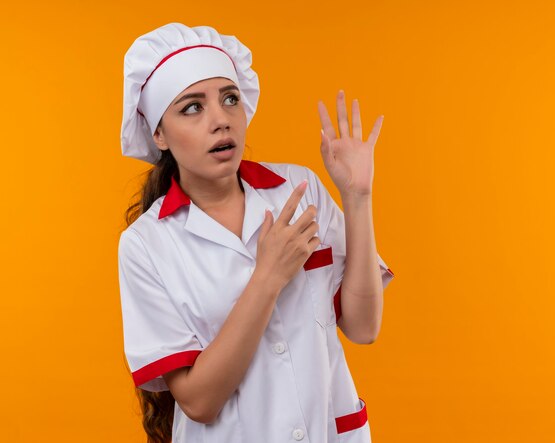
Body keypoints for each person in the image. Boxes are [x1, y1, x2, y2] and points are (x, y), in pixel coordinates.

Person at [118, 22, 394, 443]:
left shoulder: (299, 190)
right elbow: (198, 401)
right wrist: (268, 277)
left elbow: (363, 327)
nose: (220, 120)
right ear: (159, 134)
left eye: (230, 99)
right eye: (192, 107)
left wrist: (357, 196)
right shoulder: (146, 244)